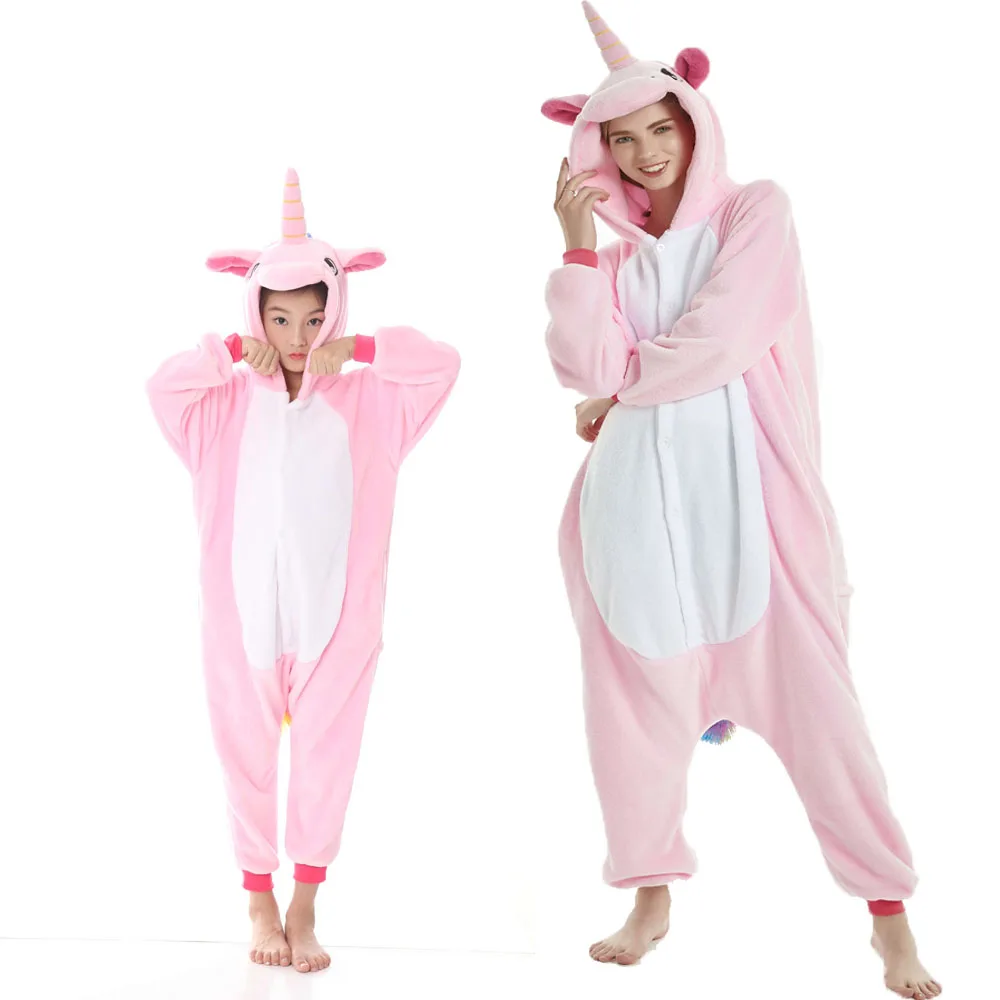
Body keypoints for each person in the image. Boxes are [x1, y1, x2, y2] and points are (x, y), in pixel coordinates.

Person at [540, 5, 940, 997]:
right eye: (620, 139)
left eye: (660, 127)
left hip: (753, 513)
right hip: (632, 515)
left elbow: (722, 337)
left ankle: (888, 919)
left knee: (825, 717)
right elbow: (579, 363)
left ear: (694, 122)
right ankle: (649, 894)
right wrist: (576, 247)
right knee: (630, 720)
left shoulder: (754, 212)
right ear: (597, 154)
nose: (645, 152)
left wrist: (620, 388)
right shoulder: (614, 261)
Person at [146, 168, 461, 972]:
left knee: (327, 760)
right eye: (279, 317)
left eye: (315, 318)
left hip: (338, 623)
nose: (296, 336)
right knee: (243, 755)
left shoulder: (373, 403)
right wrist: (225, 351)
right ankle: (258, 901)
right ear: (254, 312)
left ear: (337, 311)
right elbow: (162, 387)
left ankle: (305, 906)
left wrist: (359, 351)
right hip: (241, 621)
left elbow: (442, 364)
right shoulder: (220, 406)